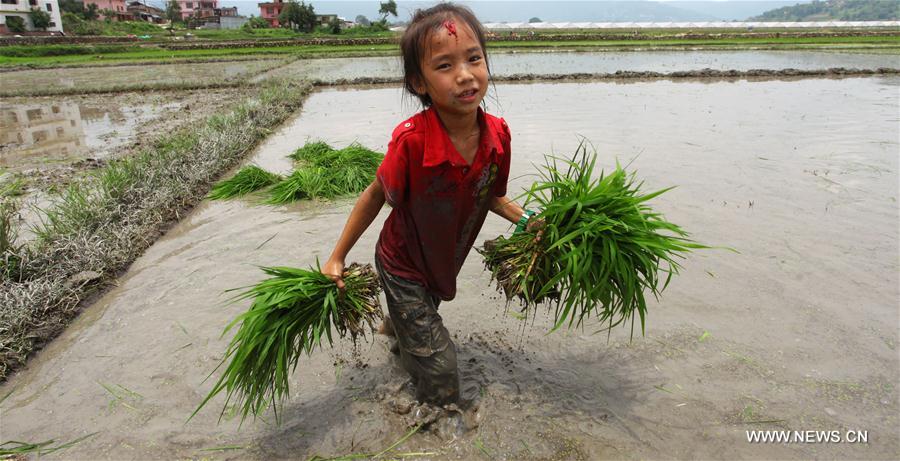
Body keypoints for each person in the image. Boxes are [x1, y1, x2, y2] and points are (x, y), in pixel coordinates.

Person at [322, 2, 540, 407]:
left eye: (474, 58)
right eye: (444, 66)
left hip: (442, 260)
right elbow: (373, 195)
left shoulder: (498, 136)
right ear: (419, 83)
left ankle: (398, 331)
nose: (464, 75)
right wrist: (337, 257)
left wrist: (529, 220)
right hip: (403, 263)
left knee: (416, 332)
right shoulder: (412, 141)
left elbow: (491, 196)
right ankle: (435, 420)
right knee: (441, 368)